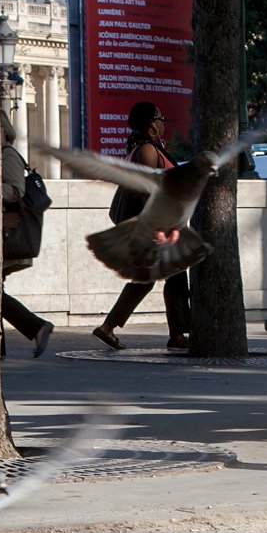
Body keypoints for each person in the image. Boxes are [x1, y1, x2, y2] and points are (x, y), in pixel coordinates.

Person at [92, 101, 192, 351]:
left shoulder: (149, 148)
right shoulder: (147, 150)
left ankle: (110, 327)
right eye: (159, 118)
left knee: (153, 278)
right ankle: (177, 335)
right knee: (171, 278)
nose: (162, 122)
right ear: (150, 125)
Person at [0, 111, 54, 358]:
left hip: (8, 233)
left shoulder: (7, 154)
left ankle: (36, 327)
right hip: (2, 233)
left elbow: (15, 192)